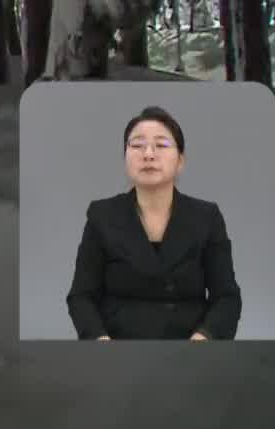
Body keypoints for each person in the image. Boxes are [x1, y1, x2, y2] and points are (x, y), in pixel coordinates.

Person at [66, 105, 242, 340]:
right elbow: (81, 296)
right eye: (137, 145)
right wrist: (99, 339)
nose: (148, 154)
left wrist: (205, 337)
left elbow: (227, 297)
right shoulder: (101, 215)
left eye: (161, 145)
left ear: (180, 161)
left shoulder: (206, 217)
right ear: (125, 158)